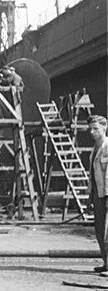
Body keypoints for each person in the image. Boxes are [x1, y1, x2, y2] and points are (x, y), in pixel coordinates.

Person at [88, 115, 108, 276]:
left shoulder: (107, 147)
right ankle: (106, 263)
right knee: (100, 231)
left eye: (96, 128)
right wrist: (90, 196)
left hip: (106, 195)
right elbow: (92, 175)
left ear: (105, 128)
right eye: (90, 129)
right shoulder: (94, 149)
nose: (92, 132)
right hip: (97, 195)